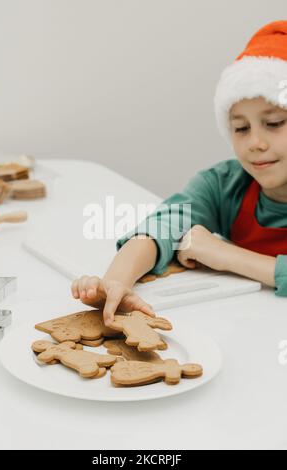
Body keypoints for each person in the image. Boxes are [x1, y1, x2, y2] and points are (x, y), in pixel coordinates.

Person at [71, 20, 287, 326]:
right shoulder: (223, 184)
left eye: (275, 123)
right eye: (241, 128)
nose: (256, 143)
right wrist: (116, 282)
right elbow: (164, 225)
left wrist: (225, 255)